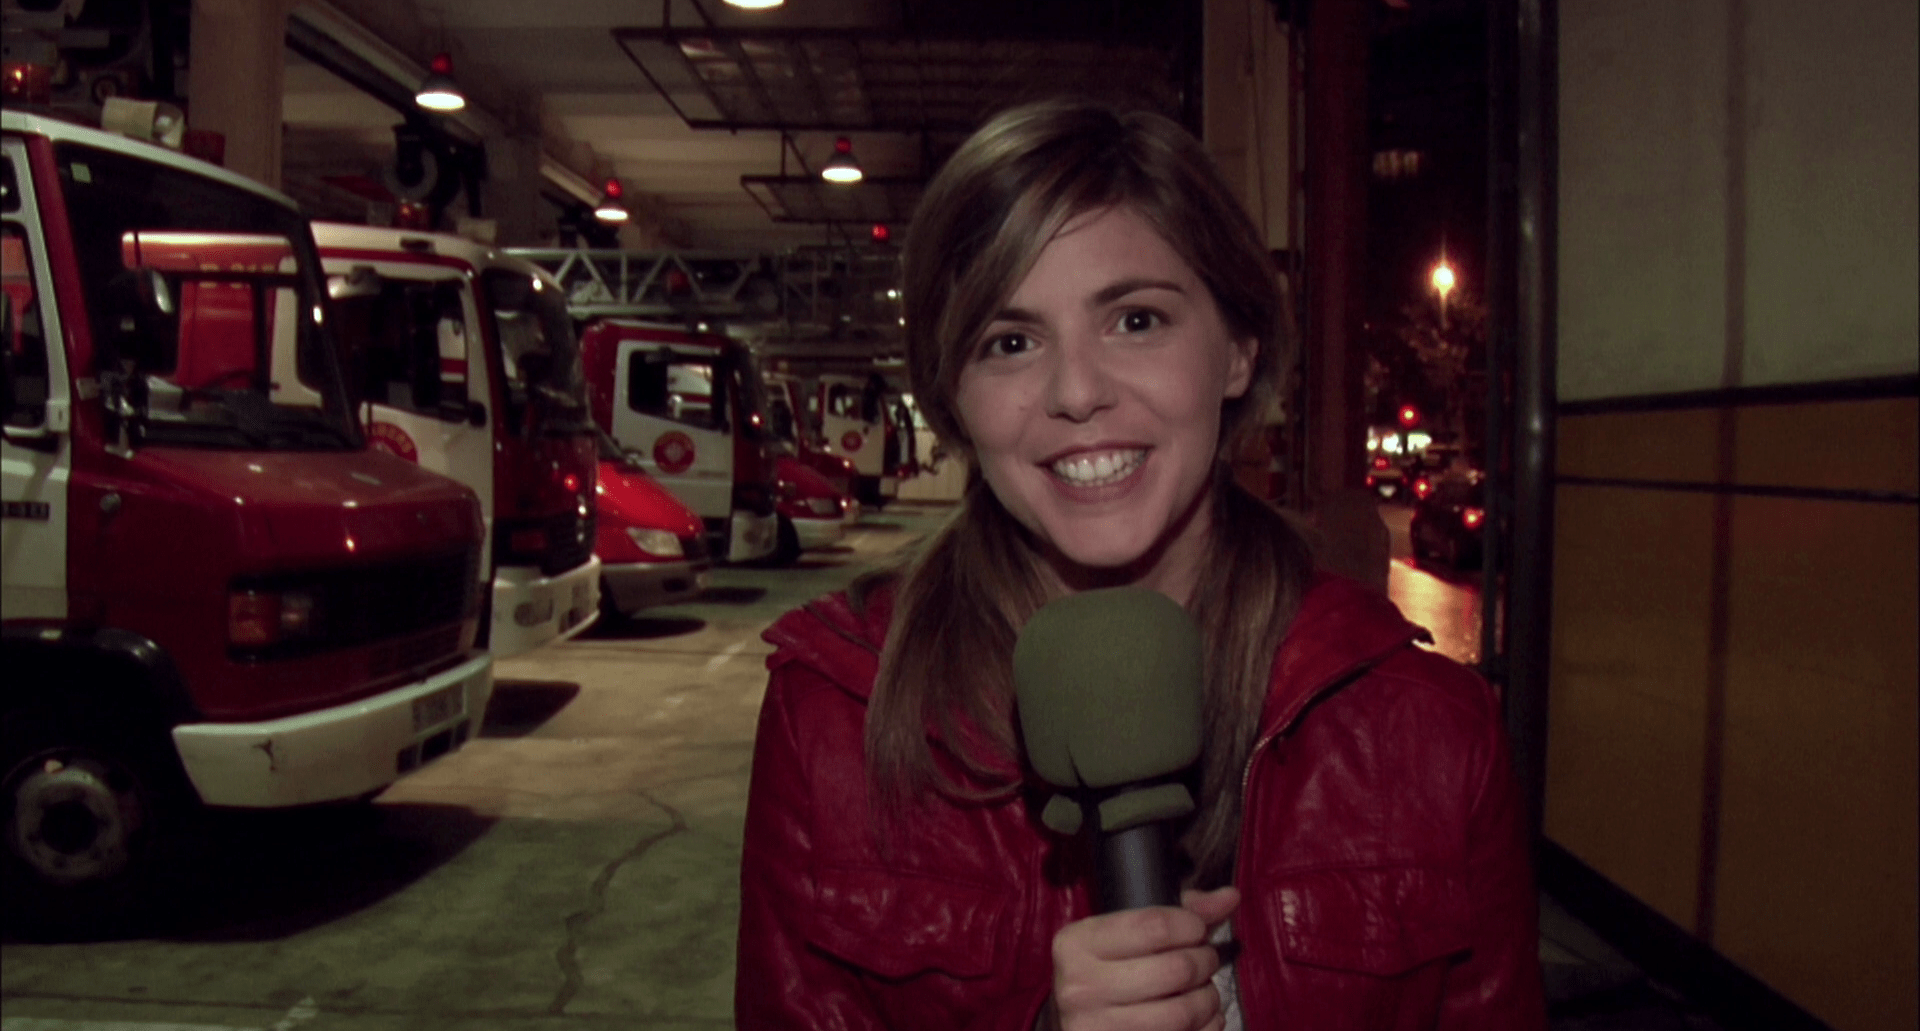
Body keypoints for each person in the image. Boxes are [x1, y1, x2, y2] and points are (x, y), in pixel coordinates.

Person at [735, 98, 1544, 1031]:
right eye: (1010, 342)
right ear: (953, 397)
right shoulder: (834, 715)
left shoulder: (1431, 732)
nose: (1077, 392)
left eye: (1136, 320)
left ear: (1238, 348)